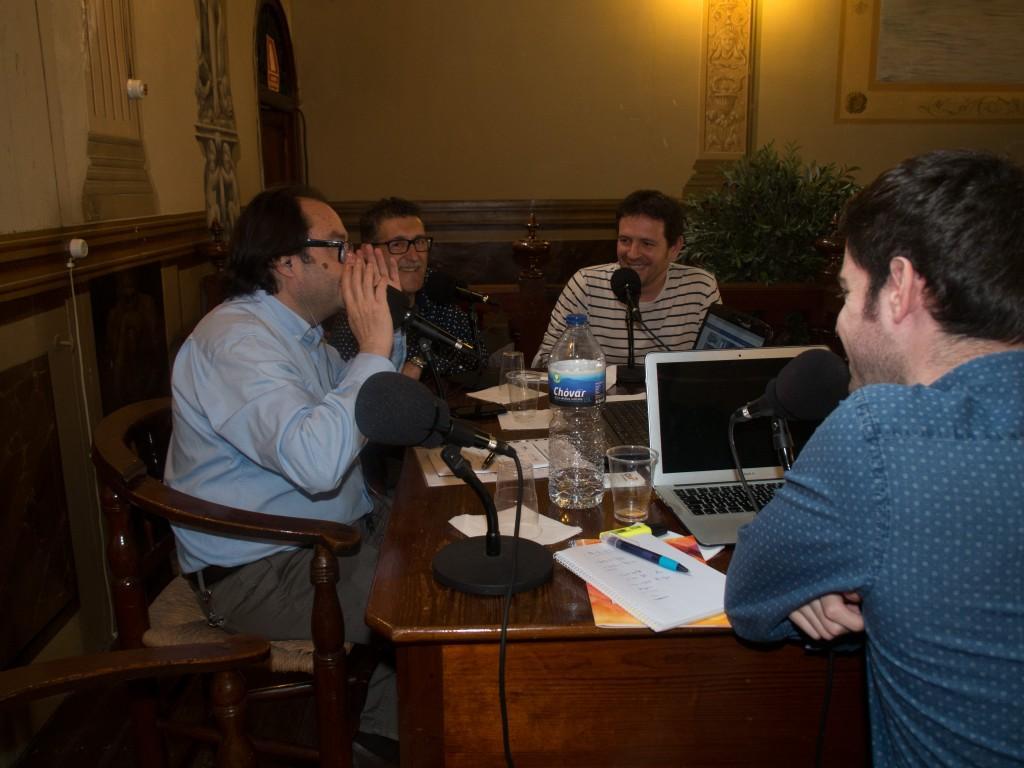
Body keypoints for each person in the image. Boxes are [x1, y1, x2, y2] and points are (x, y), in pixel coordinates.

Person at [725, 150, 1024, 766]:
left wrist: (823, 580)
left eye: (846, 291)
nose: (838, 320)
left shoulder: (882, 434)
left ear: (901, 289)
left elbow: (753, 598)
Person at [164, 185, 404, 745]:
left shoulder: (300, 335)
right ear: (285, 262)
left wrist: (384, 329)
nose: (354, 261)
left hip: (322, 541)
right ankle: (382, 743)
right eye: (339, 246)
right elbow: (319, 462)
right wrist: (372, 348)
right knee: (424, 596)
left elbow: (358, 412)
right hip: (264, 571)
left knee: (453, 544)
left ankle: (393, 724)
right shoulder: (237, 343)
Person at [531, 189, 720, 367]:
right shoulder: (586, 285)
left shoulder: (700, 288)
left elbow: (719, 367)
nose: (632, 254)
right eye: (625, 241)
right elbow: (545, 360)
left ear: (675, 248)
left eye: (647, 243)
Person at [328, 196, 485, 379]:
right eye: (398, 245)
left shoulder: (435, 293)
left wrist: (420, 363)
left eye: (419, 242)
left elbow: (477, 359)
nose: (414, 256)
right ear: (368, 253)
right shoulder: (354, 316)